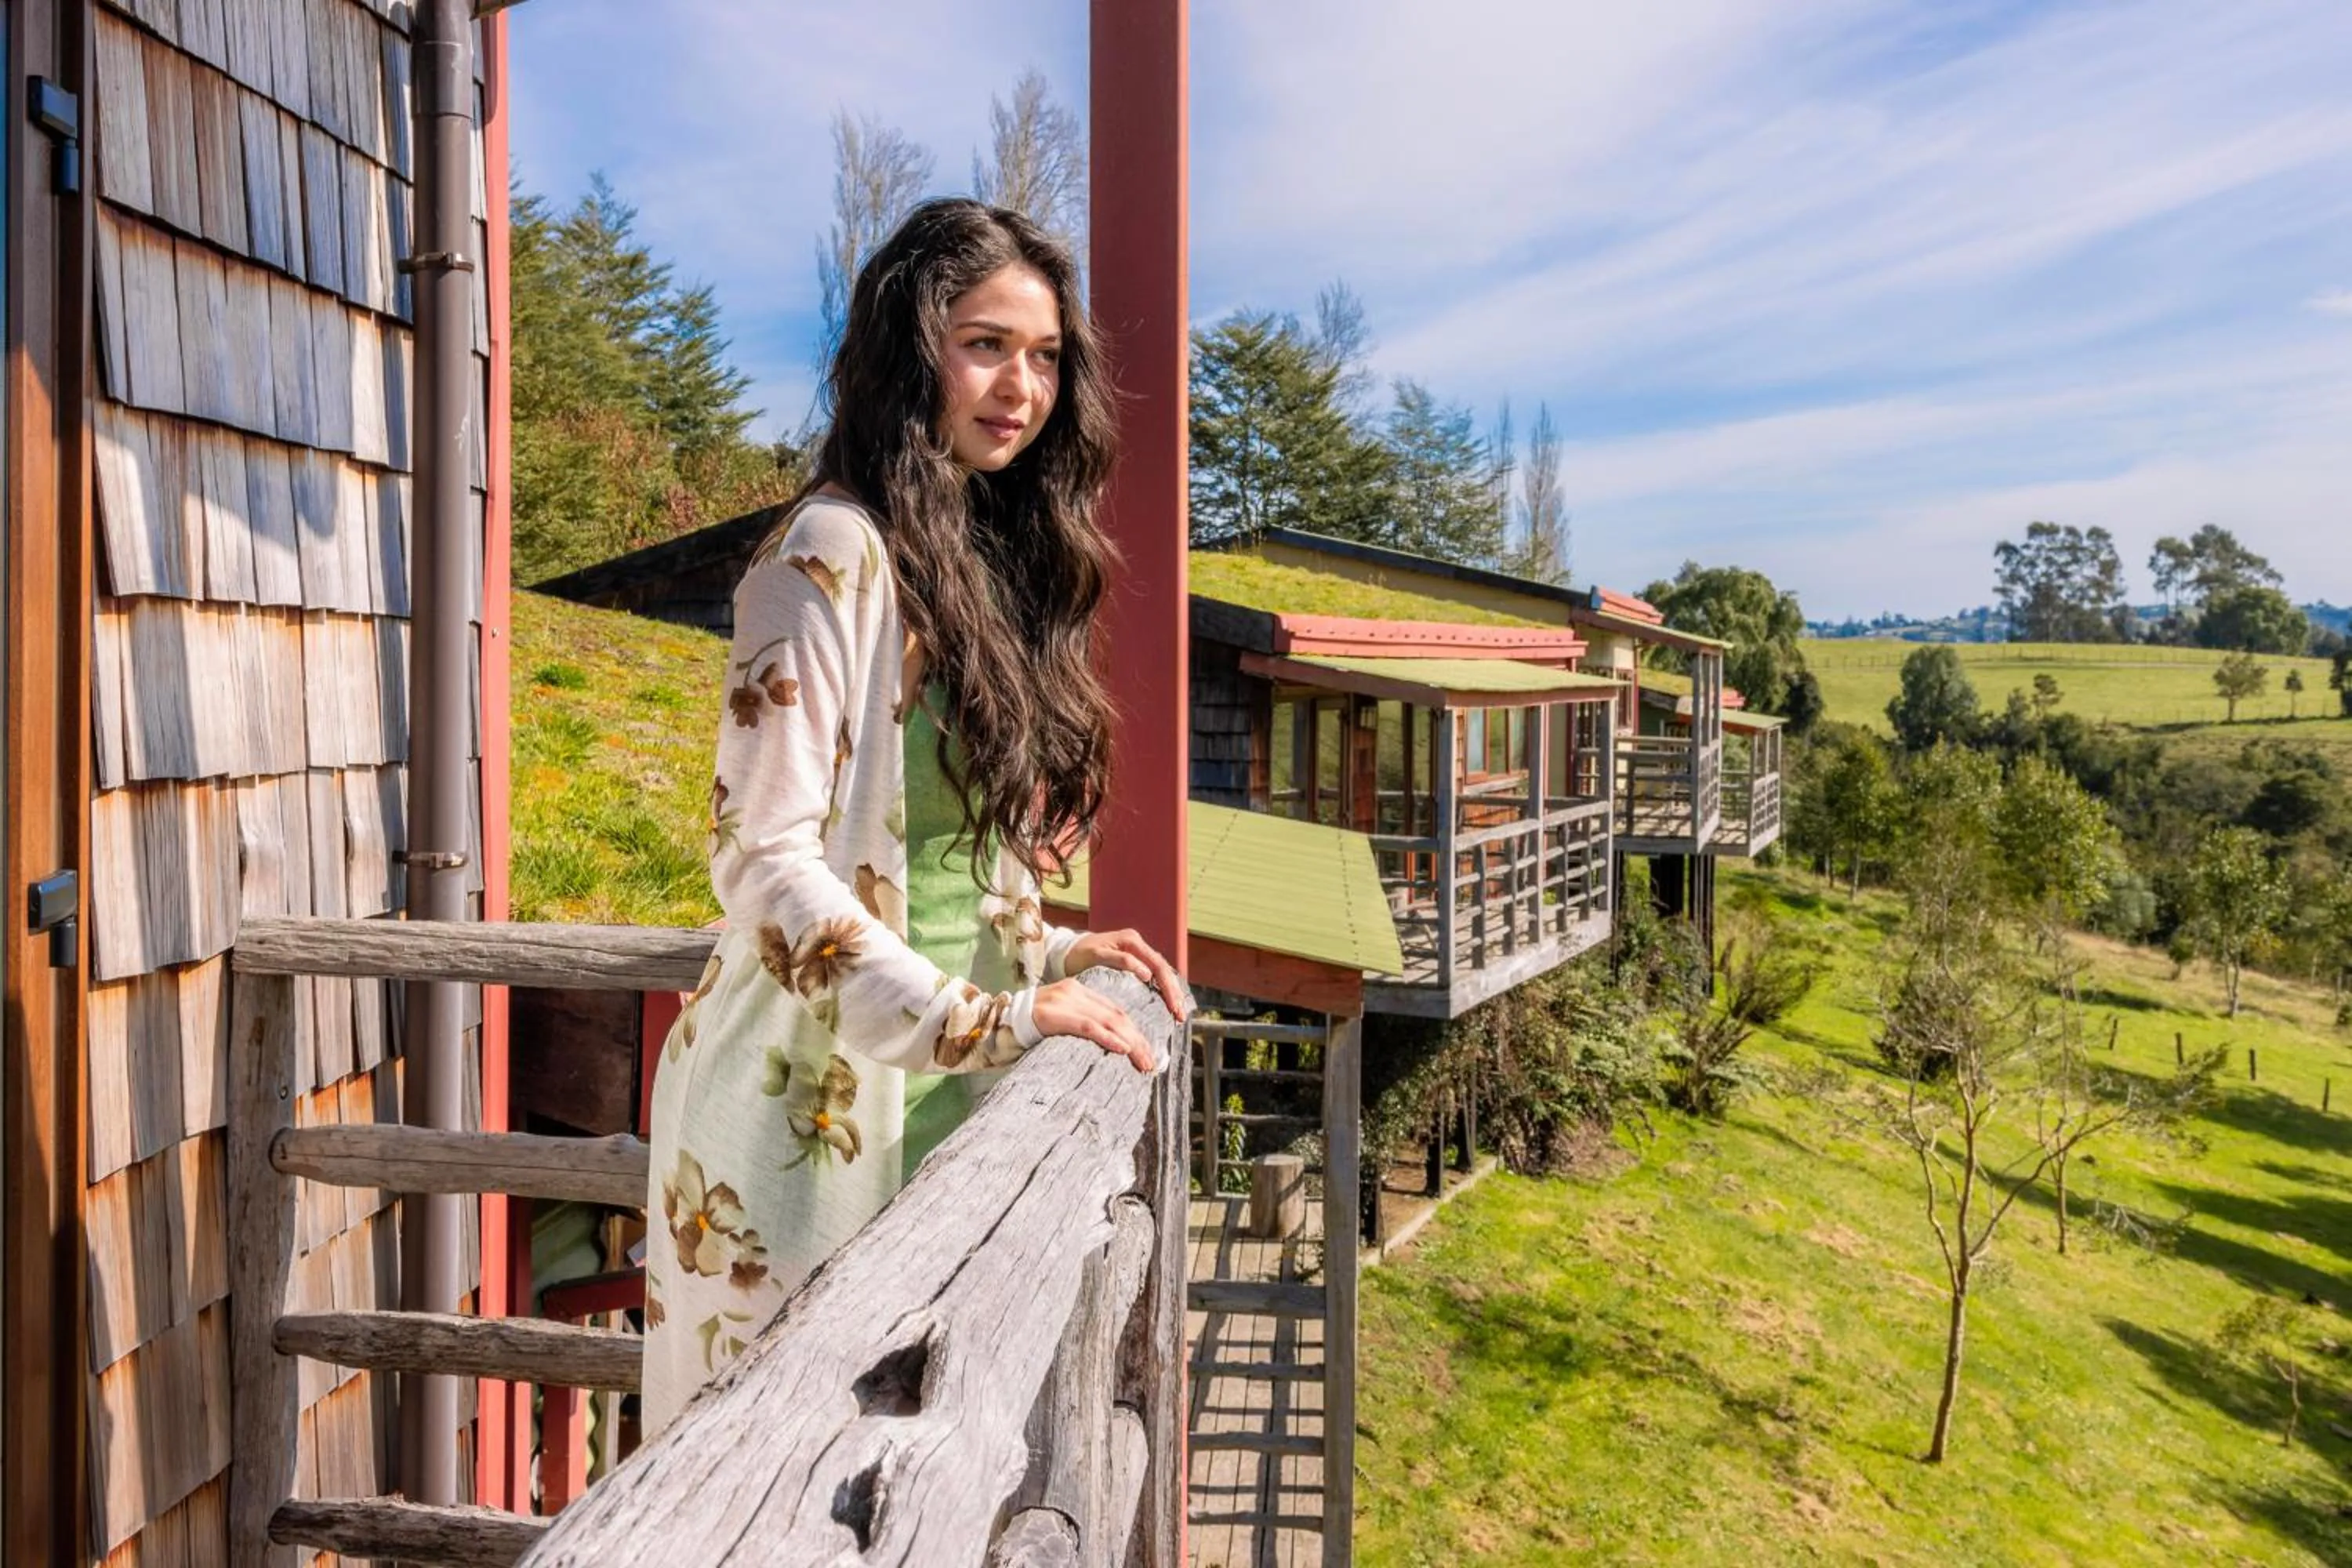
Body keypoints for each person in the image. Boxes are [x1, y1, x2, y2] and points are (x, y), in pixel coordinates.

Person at [641, 199, 1186, 1431]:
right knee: (775, 1487)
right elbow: (763, 864)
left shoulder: (961, 556)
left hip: (943, 1108)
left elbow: (932, 857)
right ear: (910, 346)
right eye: (986, 344)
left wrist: (1044, 950)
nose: (1022, 386)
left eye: (1045, 358)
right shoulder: (826, 553)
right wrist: (985, 1014)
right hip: (801, 1130)